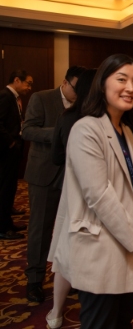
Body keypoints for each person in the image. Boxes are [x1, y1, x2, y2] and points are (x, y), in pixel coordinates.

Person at [49, 54, 133, 329]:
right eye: (121, 79)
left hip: (126, 244)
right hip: (101, 246)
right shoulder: (86, 129)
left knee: (122, 320)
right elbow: (98, 196)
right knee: (101, 322)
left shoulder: (125, 130)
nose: (130, 88)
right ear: (102, 84)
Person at [22, 65, 86, 302]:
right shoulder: (41, 98)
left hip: (74, 174)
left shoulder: (84, 105)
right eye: (76, 88)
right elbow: (28, 130)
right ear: (65, 83)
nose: (79, 94)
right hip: (44, 173)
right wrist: (60, 132)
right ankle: (34, 279)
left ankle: (69, 276)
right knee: (40, 228)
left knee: (72, 227)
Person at [45, 68, 96, 328]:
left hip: (72, 187)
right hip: (99, 190)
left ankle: (56, 312)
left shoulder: (68, 117)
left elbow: (56, 157)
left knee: (66, 248)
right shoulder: (101, 118)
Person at [0, 70, 33, 240]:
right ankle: (3, 227)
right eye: (28, 83)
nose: (29, 87)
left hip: (13, 149)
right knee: (4, 188)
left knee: (10, 187)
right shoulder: (5, 96)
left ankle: (8, 222)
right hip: (6, 150)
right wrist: (11, 142)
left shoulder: (13, 98)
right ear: (17, 80)